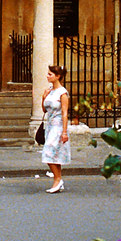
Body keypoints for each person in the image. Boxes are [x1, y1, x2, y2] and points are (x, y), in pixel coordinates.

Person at [40, 65, 70, 193]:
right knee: (54, 154)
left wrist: (64, 132)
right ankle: (58, 180)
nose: (47, 76)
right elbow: (44, 110)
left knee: (48, 152)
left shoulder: (62, 93)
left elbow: (64, 113)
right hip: (50, 125)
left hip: (58, 126)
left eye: (50, 74)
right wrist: (43, 97)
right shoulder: (50, 91)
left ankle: (57, 179)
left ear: (57, 76)